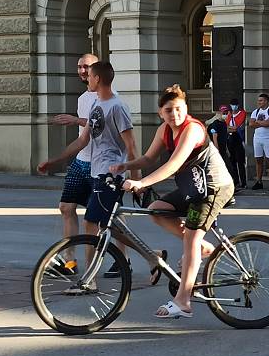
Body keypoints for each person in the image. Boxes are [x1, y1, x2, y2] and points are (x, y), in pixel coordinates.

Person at [113, 84, 235, 318]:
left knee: (191, 238)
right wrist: (125, 166)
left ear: (186, 109)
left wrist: (142, 183)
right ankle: (202, 248)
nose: (174, 114)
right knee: (157, 209)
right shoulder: (164, 130)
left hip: (214, 187)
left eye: (179, 109)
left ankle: (183, 301)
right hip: (193, 187)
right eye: (168, 110)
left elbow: (174, 164)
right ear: (161, 113)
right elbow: (149, 158)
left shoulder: (193, 129)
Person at [38, 61, 138, 288]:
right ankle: (153, 257)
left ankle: (90, 279)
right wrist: (55, 160)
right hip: (95, 170)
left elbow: (131, 147)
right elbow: (83, 140)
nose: (87, 78)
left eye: (90, 74)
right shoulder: (95, 104)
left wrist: (137, 180)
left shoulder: (117, 106)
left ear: (98, 79)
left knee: (91, 223)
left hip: (111, 175)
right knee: (107, 223)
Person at [37, 53, 97, 278]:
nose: (82, 71)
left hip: (101, 165)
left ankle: (134, 258)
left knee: (106, 220)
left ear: (97, 70)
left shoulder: (108, 97)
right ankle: (69, 262)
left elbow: (102, 127)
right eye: (80, 67)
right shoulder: (82, 99)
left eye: (87, 67)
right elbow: (83, 138)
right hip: (81, 161)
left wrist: (75, 120)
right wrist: (56, 160)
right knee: (66, 207)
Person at [249, 93, 269, 190]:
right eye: (258, 100)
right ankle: (259, 181)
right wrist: (262, 123)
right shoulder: (256, 111)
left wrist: (257, 122)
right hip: (257, 138)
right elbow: (251, 124)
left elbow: (268, 123)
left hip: (268, 138)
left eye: (261, 100)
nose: (259, 102)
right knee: (258, 160)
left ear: (266, 101)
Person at [224, 101, 248, 189]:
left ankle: (243, 182)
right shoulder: (229, 114)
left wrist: (230, 128)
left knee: (240, 162)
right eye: (232, 105)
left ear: (238, 105)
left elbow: (236, 127)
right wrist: (229, 128)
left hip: (239, 139)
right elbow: (225, 127)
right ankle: (236, 181)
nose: (233, 106)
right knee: (232, 162)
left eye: (235, 105)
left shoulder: (242, 113)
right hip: (230, 139)